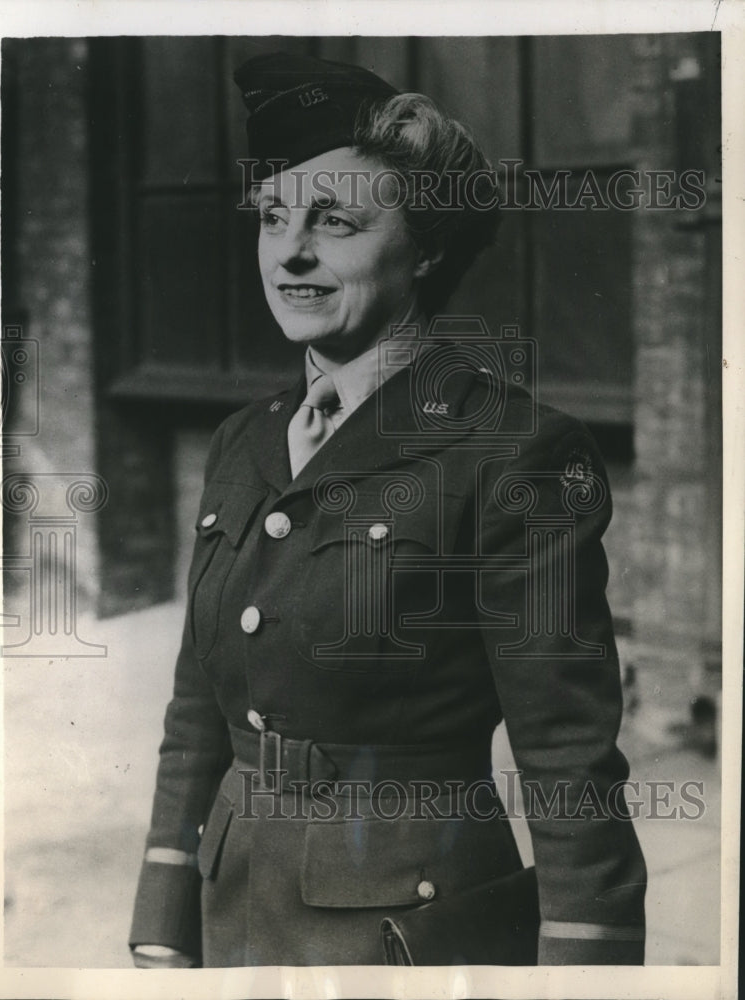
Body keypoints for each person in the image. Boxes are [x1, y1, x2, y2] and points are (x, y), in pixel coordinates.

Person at [129, 51, 646, 968]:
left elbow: (568, 762)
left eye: (335, 222)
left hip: (404, 938)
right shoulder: (242, 443)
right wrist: (163, 923)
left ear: (429, 245)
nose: (290, 251)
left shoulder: (511, 451)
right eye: (274, 218)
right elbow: (195, 717)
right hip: (232, 914)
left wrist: (584, 977)